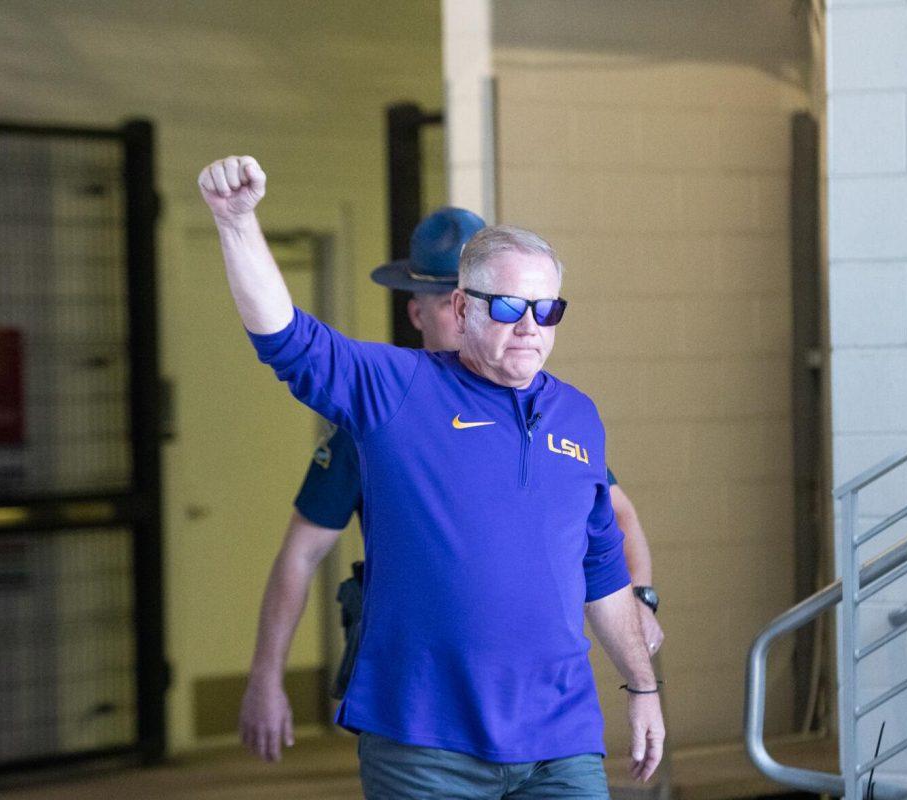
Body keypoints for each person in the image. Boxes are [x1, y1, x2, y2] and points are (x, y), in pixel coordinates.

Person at [201, 155, 665, 797]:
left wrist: (642, 688)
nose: (529, 326)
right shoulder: (393, 392)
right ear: (458, 307)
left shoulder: (578, 416)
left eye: (546, 309)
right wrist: (236, 223)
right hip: (426, 743)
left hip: (561, 740)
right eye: (506, 306)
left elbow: (604, 567)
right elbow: (288, 340)